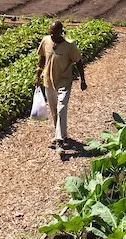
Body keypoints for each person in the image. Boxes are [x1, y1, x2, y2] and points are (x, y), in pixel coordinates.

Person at [35, 20, 87, 155]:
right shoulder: (46, 41)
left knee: (61, 107)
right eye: (50, 33)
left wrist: (83, 80)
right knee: (54, 110)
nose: (51, 36)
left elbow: (79, 62)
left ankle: (58, 140)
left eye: (54, 34)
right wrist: (37, 76)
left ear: (60, 33)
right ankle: (62, 134)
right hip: (48, 80)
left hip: (64, 81)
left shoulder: (69, 46)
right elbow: (41, 59)